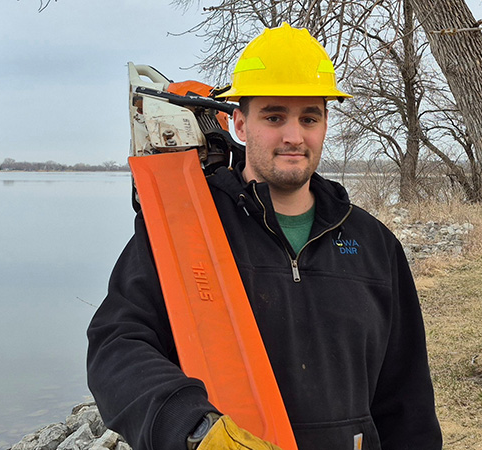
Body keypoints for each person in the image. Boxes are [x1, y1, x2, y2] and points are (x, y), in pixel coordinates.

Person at [86, 23, 442, 450]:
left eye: (309, 117)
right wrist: (192, 428)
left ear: (325, 124)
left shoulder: (375, 246)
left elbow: (408, 402)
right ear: (239, 122)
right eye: (274, 116)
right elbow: (116, 346)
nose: (294, 136)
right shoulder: (185, 231)